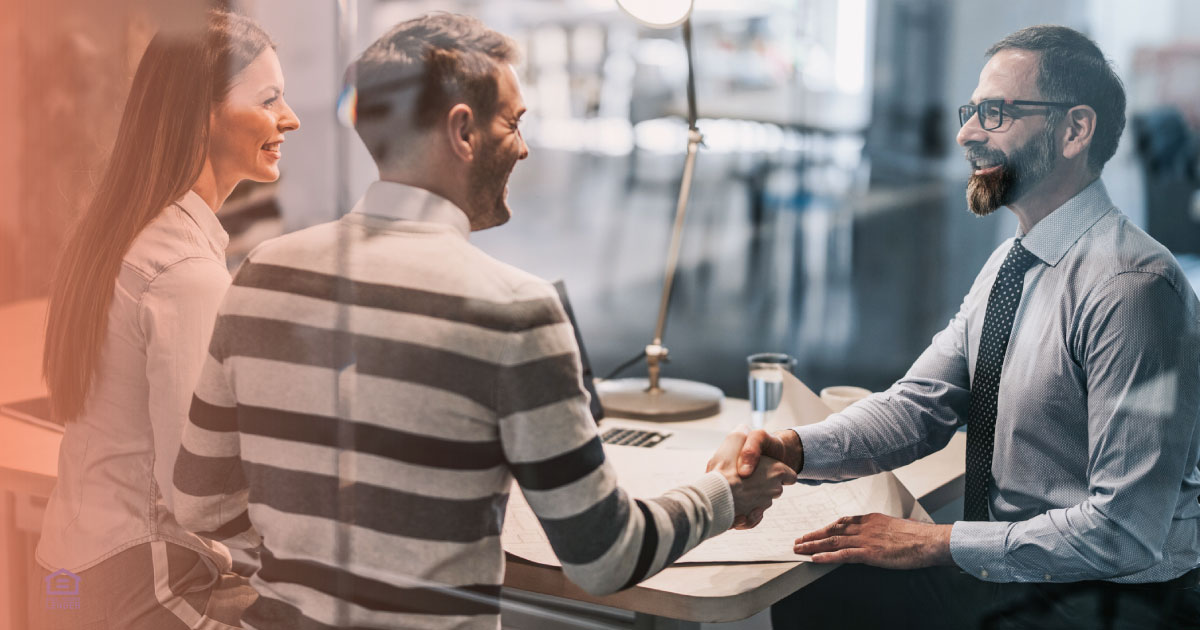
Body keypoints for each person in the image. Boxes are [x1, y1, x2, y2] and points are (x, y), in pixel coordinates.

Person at [169, 13, 794, 630]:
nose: (523, 147)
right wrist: (726, 494)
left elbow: (200, 504)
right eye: (513, 123)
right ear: (463, 131)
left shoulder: (262, 272)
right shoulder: (513, 310)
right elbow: (605, 557)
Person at [739, 25, 1200, 629]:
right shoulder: (1013, 263)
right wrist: (794, 449)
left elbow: (1124, 532)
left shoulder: (1132, 288)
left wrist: (935, 542)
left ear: (1075, 130)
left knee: (835, 590)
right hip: (1021, 578)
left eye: (995, 113)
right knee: (824, 578)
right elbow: (918, 407)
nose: (966, 133)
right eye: (971, 111)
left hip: (1110, 600)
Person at [35, 9, 300, 629]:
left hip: (67, 576)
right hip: (137, 585)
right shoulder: (185, 272)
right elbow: (201, 496)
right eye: (268, 99)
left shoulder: (123, 232)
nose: (289, 117)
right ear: (202, 113)